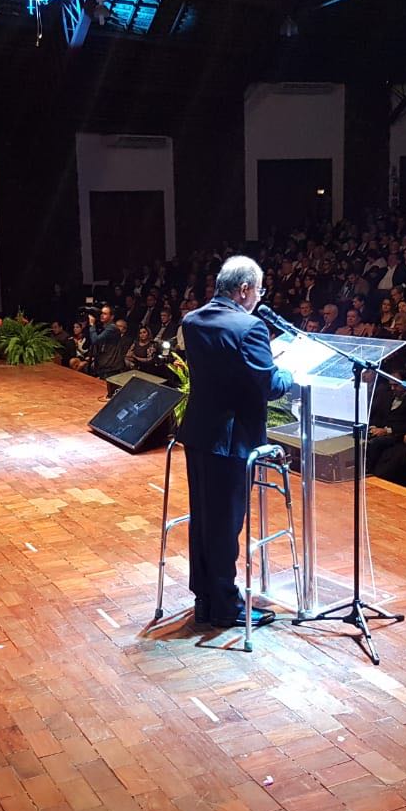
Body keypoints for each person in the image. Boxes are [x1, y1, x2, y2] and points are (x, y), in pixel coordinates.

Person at [176, 256, 293, 629]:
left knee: (205, 520)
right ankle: (227, 607)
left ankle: (206, 598)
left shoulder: (192, 321)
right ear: (244, 290)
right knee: (226, 523)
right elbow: (270, 386)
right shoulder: (250, 327)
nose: (259, 297)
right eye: (259, 290)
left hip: (198, 434)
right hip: (232, 442)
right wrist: (289, 371)